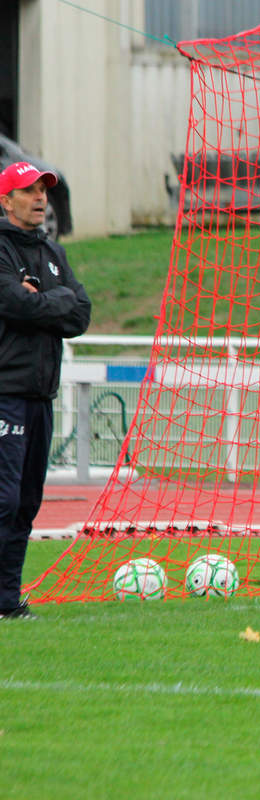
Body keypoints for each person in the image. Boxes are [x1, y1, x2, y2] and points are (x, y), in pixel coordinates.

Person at [0, 161, 92, 620]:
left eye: (43, 190)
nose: (40, 198)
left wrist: (42, 300)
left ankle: (7, 603)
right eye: (29, 190)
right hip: (5, 393)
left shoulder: (52, 252)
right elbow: (12, 302)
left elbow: (80, 313)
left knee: (27, 503)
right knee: (4, 498)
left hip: (40, 396)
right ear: (6, 200)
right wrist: (44, 302)